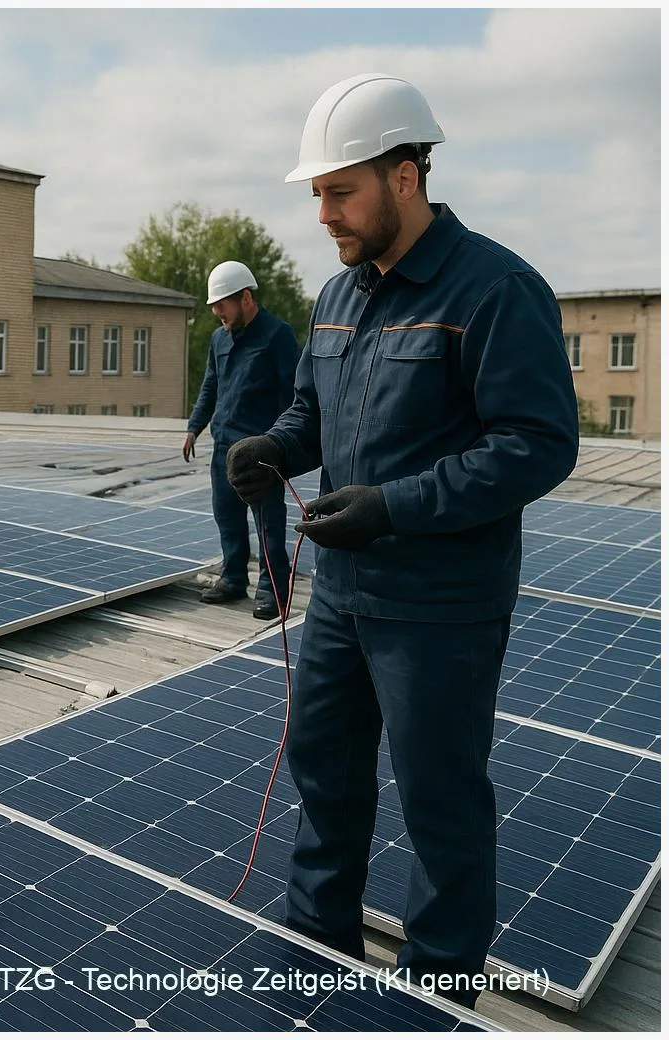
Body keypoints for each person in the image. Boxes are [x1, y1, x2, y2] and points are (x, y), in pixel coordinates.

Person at [226, 74, 578, 1008]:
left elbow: (538, 445)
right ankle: (316, 957)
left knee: (440, 805)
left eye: (340, 193)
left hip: (440, 607)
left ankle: (435, 998)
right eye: (317, 195)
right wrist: (274, 447)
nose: (324, 215)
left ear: (405, 177)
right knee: (325, 776)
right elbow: (312, 413)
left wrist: (395, 507)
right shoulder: (337, 295)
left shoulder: (495, 289)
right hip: (342, 597)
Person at [183, 260, 300, 621]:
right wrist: (194, 427)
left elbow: (295, 395)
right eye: (213, 305)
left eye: (221, 304)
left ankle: (273, 590)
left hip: (261, 451)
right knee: (227, 517)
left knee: (268, 524)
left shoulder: (278, 335)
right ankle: (233, 578)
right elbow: (210, 386)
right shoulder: (219, 339)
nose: (216, 312)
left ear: (245, 298)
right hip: (223, 448)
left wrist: (283, 444)